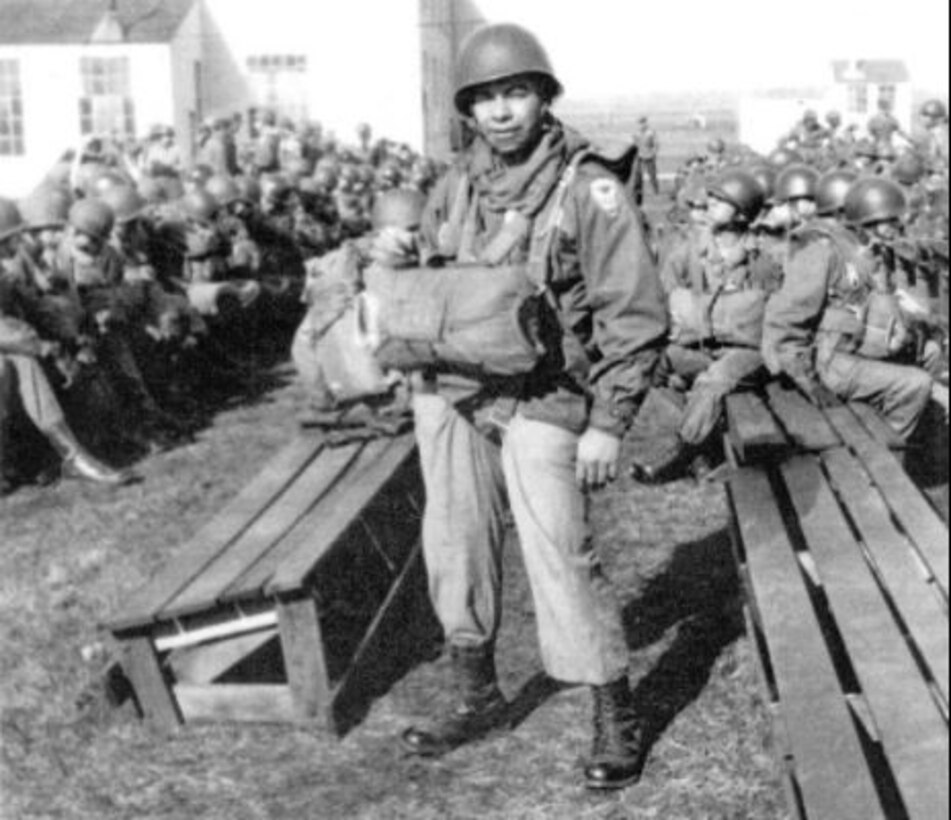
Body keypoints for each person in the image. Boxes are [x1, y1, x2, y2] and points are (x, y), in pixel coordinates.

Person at [371, 22, 668, 791]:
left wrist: (609, 421)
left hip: (547, 393)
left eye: (516, 92)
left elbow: (632, 314)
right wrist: (401, 259)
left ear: (542, 97)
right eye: (485, 98)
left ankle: (612, 709)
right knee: (454, 543)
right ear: (466, 111)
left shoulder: (587, 186)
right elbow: (436, 277)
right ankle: (477, 693)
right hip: (455, 389)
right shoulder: (455, 183)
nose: (501, 111)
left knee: (559, 551)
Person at [762, 176, 934, 442]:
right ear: (866, 219)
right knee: (915, 383)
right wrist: (807, 380)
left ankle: (914, 441)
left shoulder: (872, 251)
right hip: (831, 361)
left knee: (931, 352)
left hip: (859, 349)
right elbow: (785, 321)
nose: (895, 227)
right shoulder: (823, 251)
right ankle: (885, 452)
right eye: (888, 220)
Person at [632, 115, 660, 203]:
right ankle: (638, 192)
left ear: (646, 123)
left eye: (643, 123)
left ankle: (656, 191)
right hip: (639, 156)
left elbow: (656, 144)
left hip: (649, 157)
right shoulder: (636, 133)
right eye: (640, 123)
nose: (641, 125)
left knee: (652, 175)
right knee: (638, 176)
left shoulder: (651, 133)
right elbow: (634, 144)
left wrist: (654, 153)